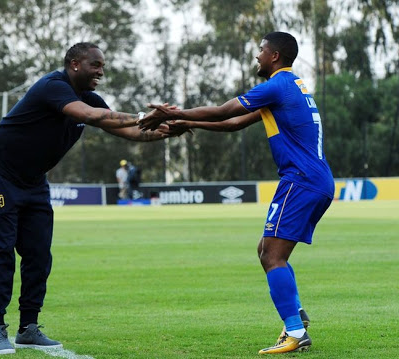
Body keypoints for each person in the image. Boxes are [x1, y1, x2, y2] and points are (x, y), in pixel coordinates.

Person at [0, 42, 187, 355]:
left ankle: (29, 328)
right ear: (74, 64)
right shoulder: (53, 87)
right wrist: (146, 114)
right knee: (2, 251)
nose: (101, 71)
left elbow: (128, 132)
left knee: (38, 255)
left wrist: (168, 131)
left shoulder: (89, 97)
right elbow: (91, 115)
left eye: (102, 66)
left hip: (33, 182)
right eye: (95, 65)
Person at [139, 31, 334, 354]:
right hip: (314, 179)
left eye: (261, 50)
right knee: (267, 251)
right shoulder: (290, 88)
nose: (256, 56)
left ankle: (296, 332)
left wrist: (173, 113)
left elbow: (223, 110)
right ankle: (295, 315)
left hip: (300, 180)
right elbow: (233, 124)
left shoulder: (277, 85)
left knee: (272, 255)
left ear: (274, 56)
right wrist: (191, 125)